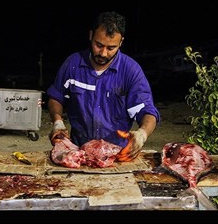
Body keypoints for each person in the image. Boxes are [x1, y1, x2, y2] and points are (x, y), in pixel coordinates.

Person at [46, 11, 160, 162]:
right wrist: (57, 122)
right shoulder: (73, 64)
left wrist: (142, 134)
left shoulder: (131, 71)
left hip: (117, 156)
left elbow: (147, 111)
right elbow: (56, 98)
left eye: (111, 47)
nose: (104, 53)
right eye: (98, 45)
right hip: (78, 154)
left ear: (121, 42)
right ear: (91, 35)